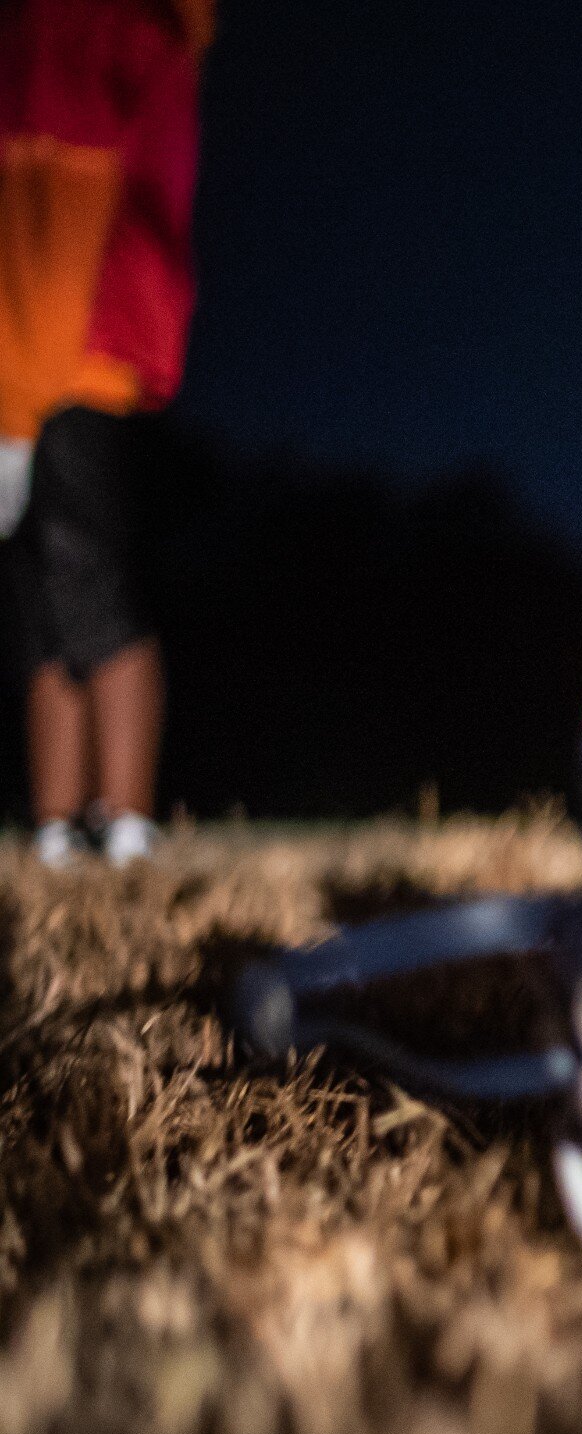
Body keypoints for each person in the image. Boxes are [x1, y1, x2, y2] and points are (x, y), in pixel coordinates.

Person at [0, 0, 204, 868]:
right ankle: (55, 822)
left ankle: (123, 819)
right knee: (34, 601)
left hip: (81, 354)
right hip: (21, 361)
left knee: (87, 579)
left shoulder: (116, 33)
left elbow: (84, 219)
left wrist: (17, 406)